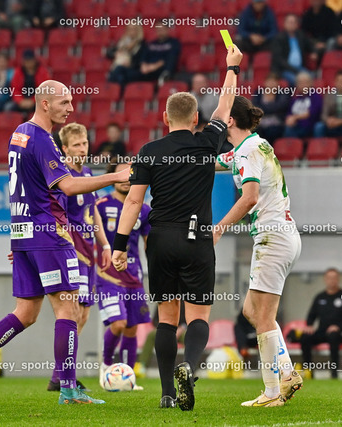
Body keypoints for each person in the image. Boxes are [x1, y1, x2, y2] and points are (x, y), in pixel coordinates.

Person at [0, 80, 130, 406]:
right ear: (45, 103)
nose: (71, 107)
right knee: (68, 308)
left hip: (24, 234)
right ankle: (68, 389)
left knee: (26, 312)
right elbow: (70, 186)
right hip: (50, 234)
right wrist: (116, 177)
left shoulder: (18, 133)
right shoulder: (44, 139)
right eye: (64, 102)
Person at [111, 46, 243, 411]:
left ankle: (167, 393)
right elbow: (225, 108)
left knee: (167, 319)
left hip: (160, 240)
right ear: (196, 117)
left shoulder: (149, 151)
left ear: (165, 119)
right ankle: (191, 365)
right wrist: (232, 68)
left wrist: (120, 245)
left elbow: (134, 203)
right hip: (197, 236)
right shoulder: (206, 144)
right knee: (198, 315)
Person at [214, 95, 302, 407]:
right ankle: (288, 373)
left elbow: (249, 197)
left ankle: (272, 392)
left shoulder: (249, 151)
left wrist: (220, 226)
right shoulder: (253, 145)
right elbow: (216, 162)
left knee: (264, 316)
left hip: (272, 236)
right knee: (252, 312)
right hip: (281, 234)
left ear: (229, 121)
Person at [44, 122, 112, 392]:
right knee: (71, 313)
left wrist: (104, 245)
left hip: (89, 252)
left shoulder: (86, 173)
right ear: (64, 148)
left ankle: (58, 374)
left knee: (82, 315)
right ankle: (62, 376)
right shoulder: (62, 179)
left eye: (84, 144)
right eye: (76, 145)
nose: (82, 149)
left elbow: (92, 211)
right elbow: (52, 214)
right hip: (71, 252)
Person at [95, 162, 151, 389]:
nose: (127, 179)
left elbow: (149, 244)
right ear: (112, 177)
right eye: (123, 175)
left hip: (134, 276)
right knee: (118, 324)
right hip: (107, 276)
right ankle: (106, 367)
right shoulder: (100, 205)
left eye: (132, 175)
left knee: (132, 327)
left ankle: (129, 377)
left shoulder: (144, 210)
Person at [298, 268, 342, 379]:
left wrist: (338, 327)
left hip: (341, 333)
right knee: (305, 337)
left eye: (334, 278)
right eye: (329, 278)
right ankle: (308, 371)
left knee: (333, 336)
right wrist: (309, 325)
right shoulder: (320, 297)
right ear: (325, 279)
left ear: (338, 279)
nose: (331, 281)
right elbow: (311, 315)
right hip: (322, 332)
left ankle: (334, 373)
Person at [271, 14, 315, 86]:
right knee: (296, 80)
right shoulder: (278, 38)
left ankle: (309, 97)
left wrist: (314, 52)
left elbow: (310, 45)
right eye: (289, 22)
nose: (291, 24)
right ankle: (296, 97)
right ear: (284, 24)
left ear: (297, 25)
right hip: (284, 69)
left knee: (311, 78)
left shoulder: (301, 35)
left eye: (293, 22)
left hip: (300, 68)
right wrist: (295, 70)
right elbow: (279, 60)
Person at [251, 73, 290, 144]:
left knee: (272, 131)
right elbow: (254, 107)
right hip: (260, 122)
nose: (271, 84)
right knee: (254, 130)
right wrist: (270, 109)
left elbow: (281, 107)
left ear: (278, 84)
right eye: (269, 81)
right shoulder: (258, 94)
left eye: (274, 81)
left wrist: (263, 110)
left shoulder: (282, 94)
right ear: (265, 83)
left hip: (276, 123)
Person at [9, 49, 50, 114]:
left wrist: (33, 101)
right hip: (22, 100)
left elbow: (44, 90)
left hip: (38, 100)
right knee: (9, 108)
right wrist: (20, 101)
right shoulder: (18, 72)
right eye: (26, 61)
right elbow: (15, 89)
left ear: (34, 60)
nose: (28, 63)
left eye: (30, 60)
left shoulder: (42, 72)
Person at [283, 72, 322, 138]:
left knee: (289, 130)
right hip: (295, 125)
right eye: (300, 83)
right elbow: (289, 112)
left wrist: (295, 118)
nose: (303, 85)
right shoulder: (295, 97)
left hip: (309, 125)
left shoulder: (315, 96)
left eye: (305, 82)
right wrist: (288, 119)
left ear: (311, 83)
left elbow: (312, 112)